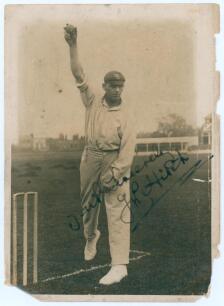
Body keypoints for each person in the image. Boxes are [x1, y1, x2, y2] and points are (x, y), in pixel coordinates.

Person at [64, 24, 136, 285]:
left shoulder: (127, 113)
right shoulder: (92, 100)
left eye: (120, 86)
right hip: (90, 157)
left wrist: (116, 171)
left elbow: (128, 148)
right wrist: (73, 45)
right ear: (104, 86)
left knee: (118, 209)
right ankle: (91, 235)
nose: (116, 89)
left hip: (114, 160)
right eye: (112, 85)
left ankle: (119, 266)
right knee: (88, 207)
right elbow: (78, 73)